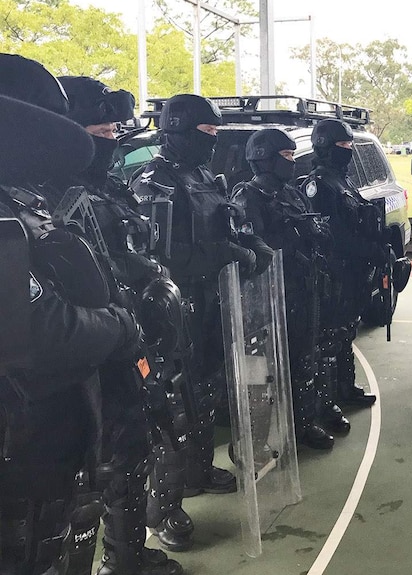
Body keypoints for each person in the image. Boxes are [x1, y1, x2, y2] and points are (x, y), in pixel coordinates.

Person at [0, 55, 143, 575]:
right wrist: (120, 325)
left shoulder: (23, 204)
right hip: (21, 458)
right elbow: (40, 333)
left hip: (44, 446)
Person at [50, 75, 184, 575]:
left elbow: (131, 253)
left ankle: (127, 556)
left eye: (114, 135)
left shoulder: (106, 188)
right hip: (87, 349)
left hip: (127, 338)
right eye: (101, 134)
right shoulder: (51, 198)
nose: (111, 143)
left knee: (131, 452)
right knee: (91, 475)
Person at [130, 93, 264, 551]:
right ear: (179, 131)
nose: (213, 143)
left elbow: (222, 226)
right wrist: (226, 252)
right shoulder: (154, 181)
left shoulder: (204, 175)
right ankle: (161, 509)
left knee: (205, 389)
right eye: (206, 134)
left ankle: (198, 469)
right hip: (168, 311)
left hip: (207, 302)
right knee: (171, 405)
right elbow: (161, 256)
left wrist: (243, 243)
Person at [231, 127, 335, 449]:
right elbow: (252, 244)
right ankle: (257, 437)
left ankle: (303, 423)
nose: (291, 162)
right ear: (265, 158)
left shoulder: (291, 192)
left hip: (304, 289)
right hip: (270, 295)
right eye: (286, 156)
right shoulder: (248, 197)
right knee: (264, 368)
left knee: (305, 358)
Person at [301, 118, 379, 416]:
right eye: (342, 146)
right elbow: (329, 234)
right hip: (332, 272)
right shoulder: (318, 184)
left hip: (352, 271)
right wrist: (364, 247)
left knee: (346, 332)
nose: (348, 150)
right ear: (324, 147)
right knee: (329, 339)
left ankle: (346, 388)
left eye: (349, 145)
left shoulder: (343, 180)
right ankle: (326, 402)